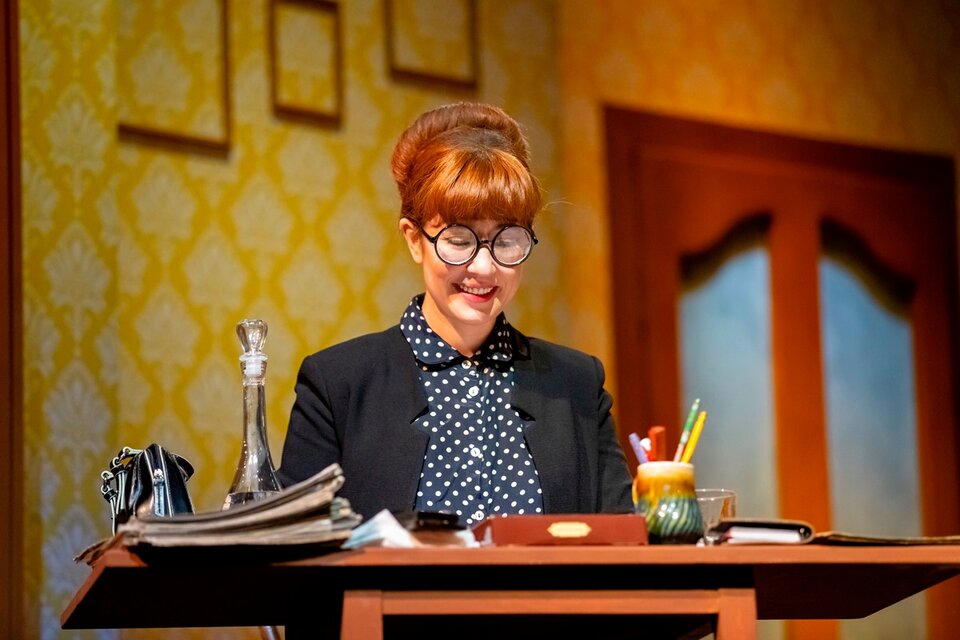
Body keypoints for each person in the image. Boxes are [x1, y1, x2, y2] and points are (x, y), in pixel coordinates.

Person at [277, 102, 633, 526]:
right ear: (414, 239)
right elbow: (295, 547)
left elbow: (621, 538)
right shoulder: (338, 384)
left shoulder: (577, 384)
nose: (484, 268)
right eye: (459, 240)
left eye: (507, 240)